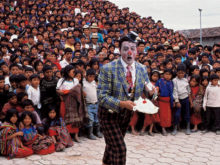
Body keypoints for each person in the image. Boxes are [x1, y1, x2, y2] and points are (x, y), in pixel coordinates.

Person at [97, 33, 151, 165]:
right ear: (119, 50)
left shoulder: (142, 69)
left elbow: (149, 90)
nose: (129, 52)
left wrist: (153, 92)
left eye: (133, 48)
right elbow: (102, 97)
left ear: (137, 51)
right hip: (108, 115)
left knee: (113, 145)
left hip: (126, 115)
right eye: (126, 48)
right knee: (120, 149)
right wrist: (121, 103)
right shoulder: (108, 69)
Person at [83, 69, 102, 140]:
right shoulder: (84, 83)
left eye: (93, 77)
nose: (91, 78)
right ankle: (90, 133)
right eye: (90, 76)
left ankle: (97, 132)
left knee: (97, 119)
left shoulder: (94, 82)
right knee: (90, 119)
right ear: (86, 76)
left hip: (96, 104)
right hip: (88, 104)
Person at [172, 64, 191, 135]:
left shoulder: (185, 80)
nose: (181, 74)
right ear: (176, 73)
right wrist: (177, 101)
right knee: (177, 114)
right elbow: (175, 91)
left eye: (182, 73)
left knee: (187, 113)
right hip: (179, 100)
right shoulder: (174, 80)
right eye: (179, 73)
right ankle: (175, 128)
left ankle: (188, 128)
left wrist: (190, 99)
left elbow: (188, 90)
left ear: (184, 73)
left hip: (186, 98)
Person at [155, 69, 174, 136]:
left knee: (168, 115)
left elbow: (172, 92)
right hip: (161, 100)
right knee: (162, 115)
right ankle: (163, 128)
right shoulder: (159, 81)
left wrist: (173, 101)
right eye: (166, 74)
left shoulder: (171, 82)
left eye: (169, 74)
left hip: (168, 101)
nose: (168, 76)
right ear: (163, 75)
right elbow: (156, 89)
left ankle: (166, 127)